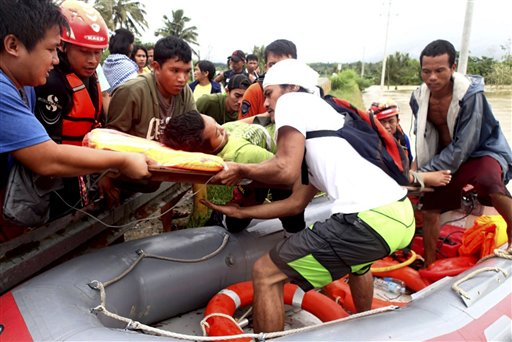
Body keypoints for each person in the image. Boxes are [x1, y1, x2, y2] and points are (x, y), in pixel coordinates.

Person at [202, 59, 415, 332]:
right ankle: (366, 330)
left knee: (266, 273)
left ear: (292, 87)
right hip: (399, 215)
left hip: (368, 219)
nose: (266, 104)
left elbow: (283, 169)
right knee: (360, 265)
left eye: (269, 93)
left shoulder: (293, 102)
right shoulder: (324, 122)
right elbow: (295, 203)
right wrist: (241, 213)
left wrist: (240, 168)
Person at [0, 0, 150, 241]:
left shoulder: (23, 85)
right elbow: (46, 159)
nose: (56, 60)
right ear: (13, 45)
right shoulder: (7, 90)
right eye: (51, 50)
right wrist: (122, 161)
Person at [409, 39, 512, 266]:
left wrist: (420, 175)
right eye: (426, 71)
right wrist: (414, 172)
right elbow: (423, 138)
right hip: (447, 156)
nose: (432, 78)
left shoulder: (470, 94)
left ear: (453, 68)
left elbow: (465, 145)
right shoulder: (418, 98)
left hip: (481, 151)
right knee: (430, 206)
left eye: (439, 70)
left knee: (488, 180)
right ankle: (429, 262)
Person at [161, 110, 305, 233]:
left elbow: (288, 171)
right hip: (262, 150)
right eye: (217, 133)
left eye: (217, 124)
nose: (223, 128)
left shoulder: (241, 154)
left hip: (285, 154)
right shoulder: (226, 144)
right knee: (234, 220)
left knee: (236, 224)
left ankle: (294, 233)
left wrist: (248, 205)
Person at [34, 0, 110, 218]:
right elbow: (49, 147)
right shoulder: (53, 82)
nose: (93, 60)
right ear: (63, 46)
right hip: (57, 176)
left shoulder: (90, 77)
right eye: (85, 52)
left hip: (84, 167)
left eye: (98, 53)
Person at [106, 35, 197, 141]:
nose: (182, 79)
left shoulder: (185, 92)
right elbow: (112, 141)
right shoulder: (131, 92)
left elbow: (194, 132)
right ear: (156, 67)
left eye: (187, 71)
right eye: (175, 71)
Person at [369, 98, 452, 189]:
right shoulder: (370, 141)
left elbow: (408, 162)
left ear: (398, 121)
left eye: (391, 121)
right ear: (374, 123)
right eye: (382, 122)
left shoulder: (403, 139)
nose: (387, 126)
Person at [238, 39, 297, 120]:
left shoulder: (307, 94)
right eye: (272, 65)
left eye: (284, 65)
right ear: (266, 68)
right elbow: (242, 129)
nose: (277, 70)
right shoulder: (254, 92)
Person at [102, 28, 138, 94]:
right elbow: (135, 91)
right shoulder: (127, 66)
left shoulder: (105, 64)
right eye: (131, 43)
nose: (132, 46)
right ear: (127, 45)